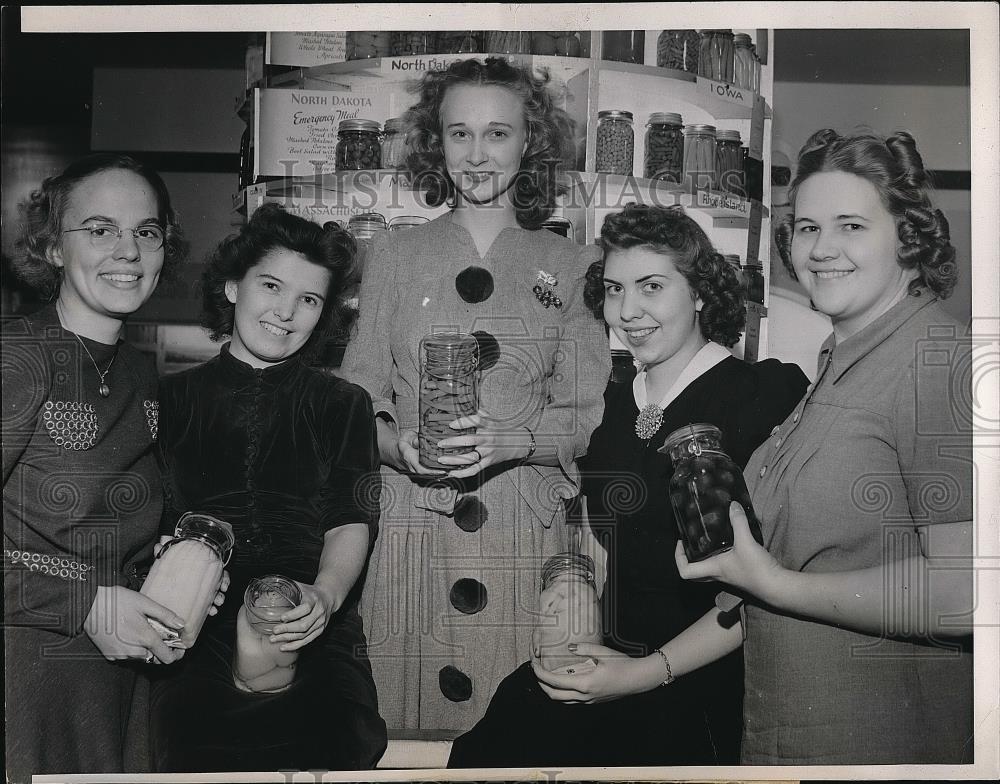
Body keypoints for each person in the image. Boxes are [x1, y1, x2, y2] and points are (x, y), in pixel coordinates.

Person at [448, 203, 809, 768]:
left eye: (651, 287)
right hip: (608, 660)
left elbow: (760, 589)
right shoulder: (619, 401)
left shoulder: (758, 397)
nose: (628, 311)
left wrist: (643, 673)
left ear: (699, 293)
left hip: (696, 680)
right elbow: (607, 539)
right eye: (614, 290)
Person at [672, 128, 974, 764]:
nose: (820, 249)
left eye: (851, 226)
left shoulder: (938, 361)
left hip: (886, 744)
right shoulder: (842, 360)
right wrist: (638, 676)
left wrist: (775, 584)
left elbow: (967, 593)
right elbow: (774, 575)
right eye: (806, 228)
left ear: (909, 236)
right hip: (794, 737)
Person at [338, 56, 610, 732]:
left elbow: (586, 415)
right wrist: (396, 448)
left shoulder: (573, 266)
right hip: (412, 529)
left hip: (522, 530)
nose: (478, 153)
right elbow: (356, 396)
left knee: (510, 735)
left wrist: (518, 439)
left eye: (498, 133)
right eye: (459, 134)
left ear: (530, 144)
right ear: (437, 144)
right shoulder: (397, 257)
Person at [148, 203, 387, 771]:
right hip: (196, 622)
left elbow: (351, 516)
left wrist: (325, 598)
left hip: (312, 617)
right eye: (271, 286)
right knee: (184, 744)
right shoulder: (168, 400)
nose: (286, 312)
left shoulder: (344, 403)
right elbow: (149, 520)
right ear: (232, 286)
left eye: (308, 299)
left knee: (343, 736)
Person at [3, 153, 194, 781]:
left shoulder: (139, 371)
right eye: (101, 228)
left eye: (146, 231)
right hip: (23, 679)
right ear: (54, 246)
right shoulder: (17, 356)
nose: (128, 250)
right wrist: (83, 603)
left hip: (112, 681)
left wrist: (180, 575)